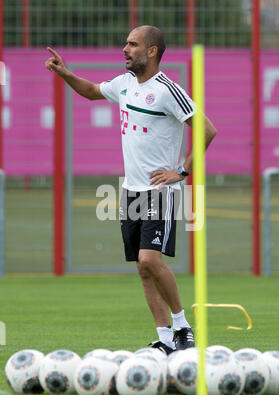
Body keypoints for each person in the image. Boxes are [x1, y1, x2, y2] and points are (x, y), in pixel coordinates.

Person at [45, 25, 217, 355]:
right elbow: (94, 90)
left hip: (159, 191)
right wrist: (65, 73)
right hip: (131, 192)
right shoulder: (123, 84)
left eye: (133, 44)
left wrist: (182, 171)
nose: (125, 49)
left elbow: (207, 129)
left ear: (151, 51)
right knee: (142, 268)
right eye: (125, 43)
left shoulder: (167, 90)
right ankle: (164, 339)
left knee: (149, 258)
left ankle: (182, 325)